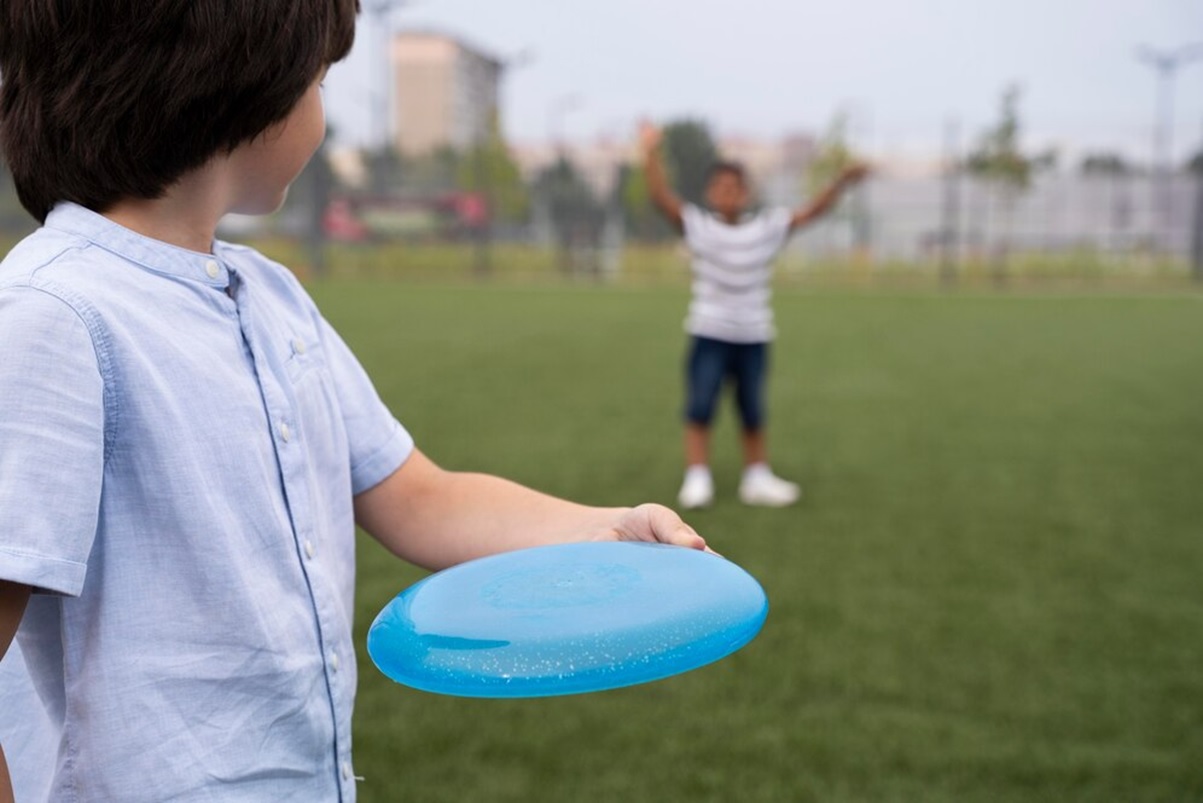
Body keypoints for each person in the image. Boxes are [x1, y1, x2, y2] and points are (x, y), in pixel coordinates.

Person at [0, 5, 707, 801]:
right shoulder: (55, 317)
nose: (323, 109)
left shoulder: (271, 296)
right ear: (241, 78)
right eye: (319, 78)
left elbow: (418, 497)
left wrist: (602, 529)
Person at [639, 122, 868, 509]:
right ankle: (697, 478)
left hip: (753, 334)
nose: (728, 194)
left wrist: (841, 182)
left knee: (752, 408)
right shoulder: (698, 227)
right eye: (721, 187)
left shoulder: (766, 229)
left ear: (746, 193)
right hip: (709, 331)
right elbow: (661, 196)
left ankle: (756, 476)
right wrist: (650, 152)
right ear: (711, 193)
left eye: (735, 188)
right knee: (700, 405)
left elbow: (812, 212)